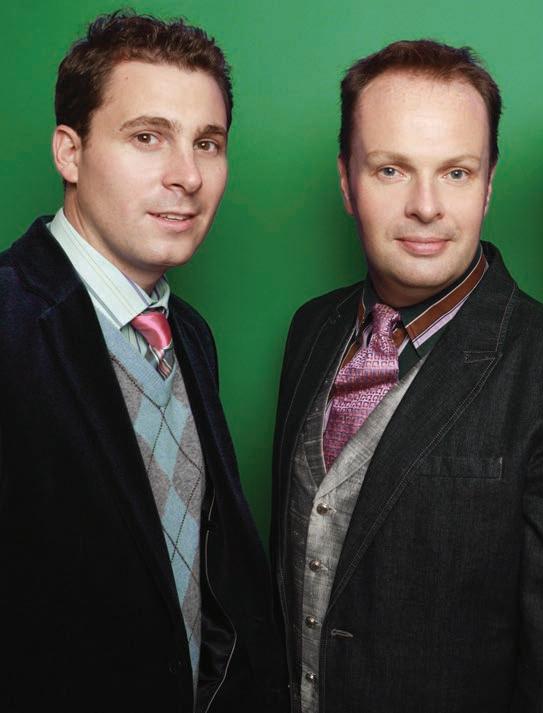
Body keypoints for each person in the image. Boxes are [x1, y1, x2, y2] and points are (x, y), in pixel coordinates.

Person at [271, 39, 543, 713]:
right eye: (391, 170)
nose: (426, 206)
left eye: (457, 173)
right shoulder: (311, 329)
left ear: (489, 184)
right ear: (347, 180)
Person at [0, 11, 282, 712]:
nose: (186, 175)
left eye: (207, 143)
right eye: (147, 137)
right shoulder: (8, 320)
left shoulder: (189, 335)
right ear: (70, 153)